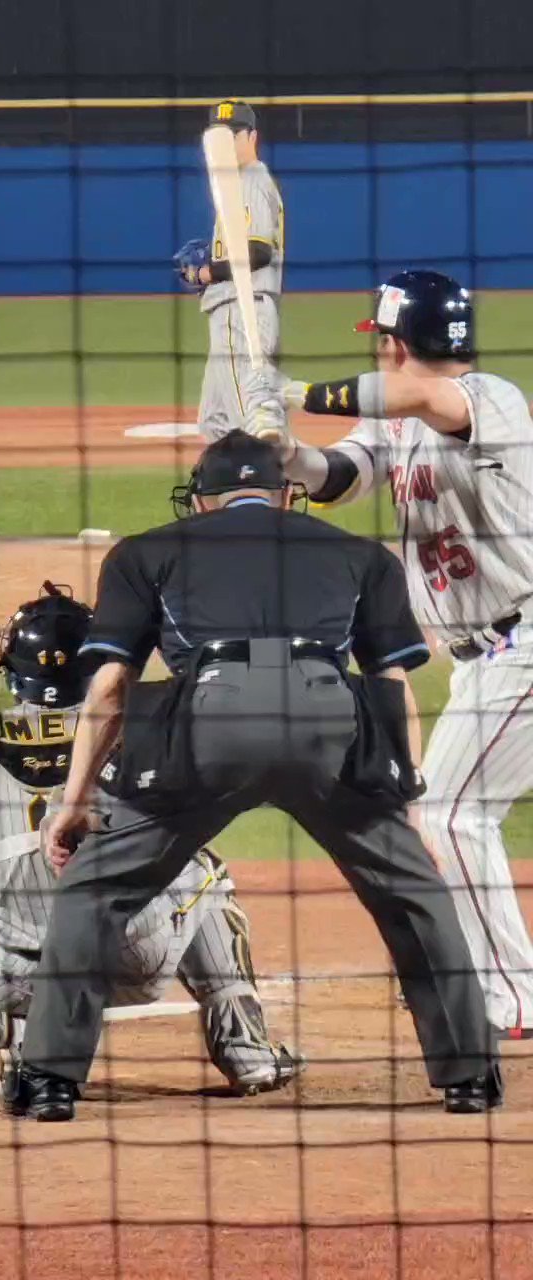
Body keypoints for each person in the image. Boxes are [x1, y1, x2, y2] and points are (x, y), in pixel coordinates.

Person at [13, 431, 500, 1123]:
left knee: (93, 890)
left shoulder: (146, 552)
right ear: (287, 494)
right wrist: (408, 806)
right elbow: (391, 687)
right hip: (328, 724)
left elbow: (112, 687)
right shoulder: (360, 555)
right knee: (413, 893)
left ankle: (49, 1082)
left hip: (212, 722)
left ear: (202, 501)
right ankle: (471, 1077)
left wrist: (76, 801)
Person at [245, 268, 533, 1040]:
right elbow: (339, 477)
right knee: (449, 811)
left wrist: (295, 390)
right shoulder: (395, 422)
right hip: (488, 661)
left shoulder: (491, 399)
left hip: (526, 644)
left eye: (381, 341)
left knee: (452, 813)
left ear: (398, 343)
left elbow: (424, 400)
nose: (376, 352)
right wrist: (285, 451)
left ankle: (513, 1000)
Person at [0, 581, 299, 1102]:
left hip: (25, 974)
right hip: (140, 955)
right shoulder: (144, 725)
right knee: (204, 868)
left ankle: (27, 1050)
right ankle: (248, 1055)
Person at [173, 100, 284, 440]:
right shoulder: (235, 183)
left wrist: (204, 273)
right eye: (219, 137)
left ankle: (271, 473)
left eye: (234, 136)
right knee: (215, 422)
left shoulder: (249, 179)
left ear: (252, 137)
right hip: (231, 311)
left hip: (242, 312)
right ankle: (235, 476)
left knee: (249, 422)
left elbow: (257, 252)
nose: (226, 145)